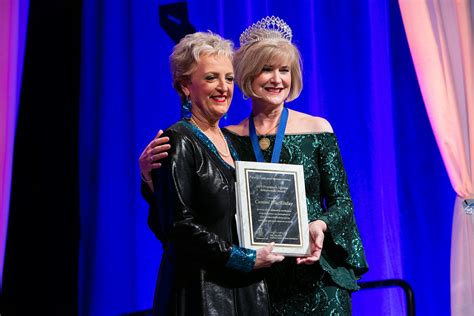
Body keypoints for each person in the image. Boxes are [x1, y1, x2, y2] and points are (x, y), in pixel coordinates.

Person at [141, 17, 368, 315]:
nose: (277, 79)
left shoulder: (317, 129)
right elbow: (184, 214)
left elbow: (342, 202)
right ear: (248, 75)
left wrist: (320, 224)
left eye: (284, 70)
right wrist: (149, 176)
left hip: (313, 272)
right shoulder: (228, 138)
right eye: (266, 69)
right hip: (258, 280)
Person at [144, 31, 284, 316]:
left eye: (229, 78)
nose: (223, 87)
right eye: (211, 78)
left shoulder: (234, 144)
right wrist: (242, 258)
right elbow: (178, 226)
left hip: (244, 290)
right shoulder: (178, 140)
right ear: (186, 86)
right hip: (200, 294)